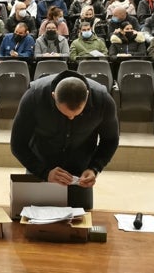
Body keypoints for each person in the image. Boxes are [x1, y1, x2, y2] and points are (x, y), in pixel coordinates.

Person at [10, 71, 119, 209]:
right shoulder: (34, 97)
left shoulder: (103, 101)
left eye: (77, 114)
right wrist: (45, 173)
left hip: (79, 174)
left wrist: (94, 168)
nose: (71, 118)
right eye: (65, 114)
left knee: (80, 222)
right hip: (40, 168)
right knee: (38, 223)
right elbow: (17, 145)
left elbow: (110, 140)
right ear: (53, 96)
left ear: (87, 94)